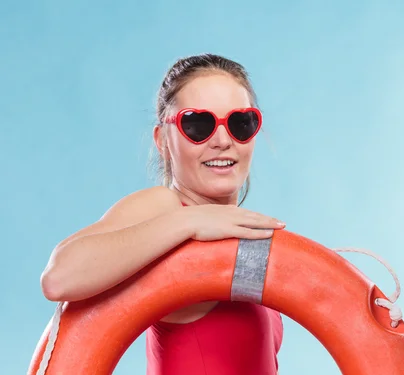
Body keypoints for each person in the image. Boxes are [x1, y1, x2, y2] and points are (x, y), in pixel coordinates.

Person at [40, 53, 286, 375]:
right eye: (197, 124)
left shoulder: (238, 233)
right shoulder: (166, 208)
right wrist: (191, 220)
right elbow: (59, 277)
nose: (223, 141)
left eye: (241, 123)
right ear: (162, 140)